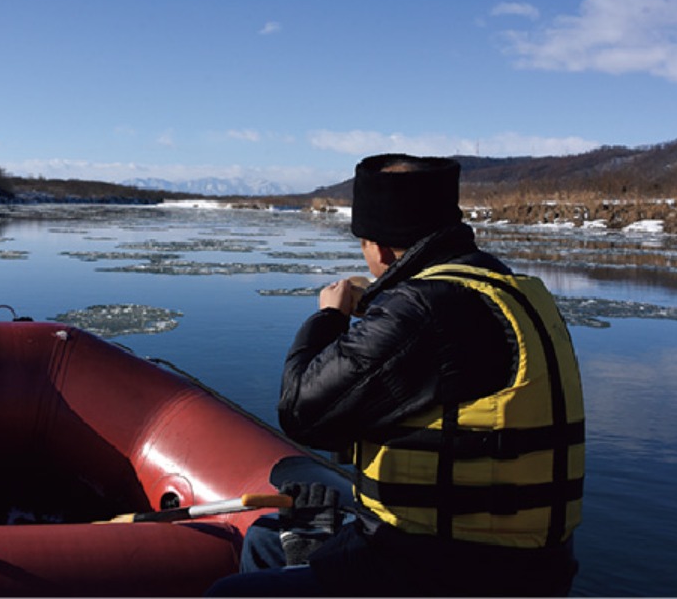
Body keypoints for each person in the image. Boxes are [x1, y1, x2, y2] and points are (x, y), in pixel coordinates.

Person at [209, 154, 585, 597]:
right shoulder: (505, 289)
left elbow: (302, 411)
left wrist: (330, 318)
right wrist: (383, 302)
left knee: (229, 595)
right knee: (270, 539)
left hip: (441, 570)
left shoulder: (423, 309)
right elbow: (435, 356)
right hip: (526, 565)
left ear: (381, 246)